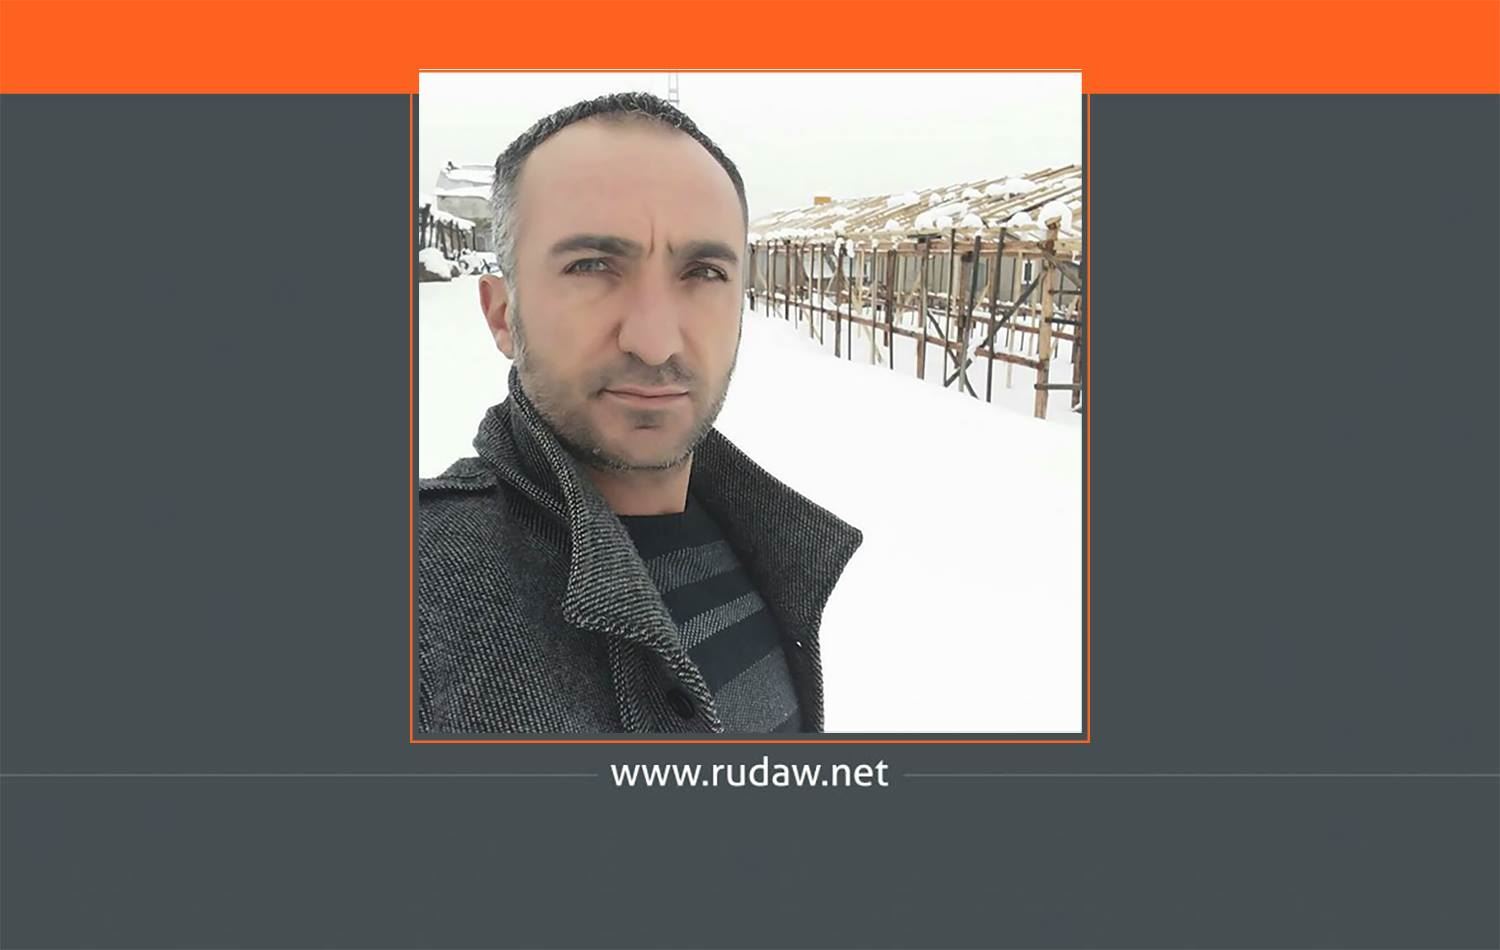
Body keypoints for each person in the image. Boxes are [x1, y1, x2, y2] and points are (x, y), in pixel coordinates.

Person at [417, 92, 863, 734]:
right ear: (502, 314)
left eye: (704, 273)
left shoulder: (769, 549)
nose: (655, 342)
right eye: (592, 266)